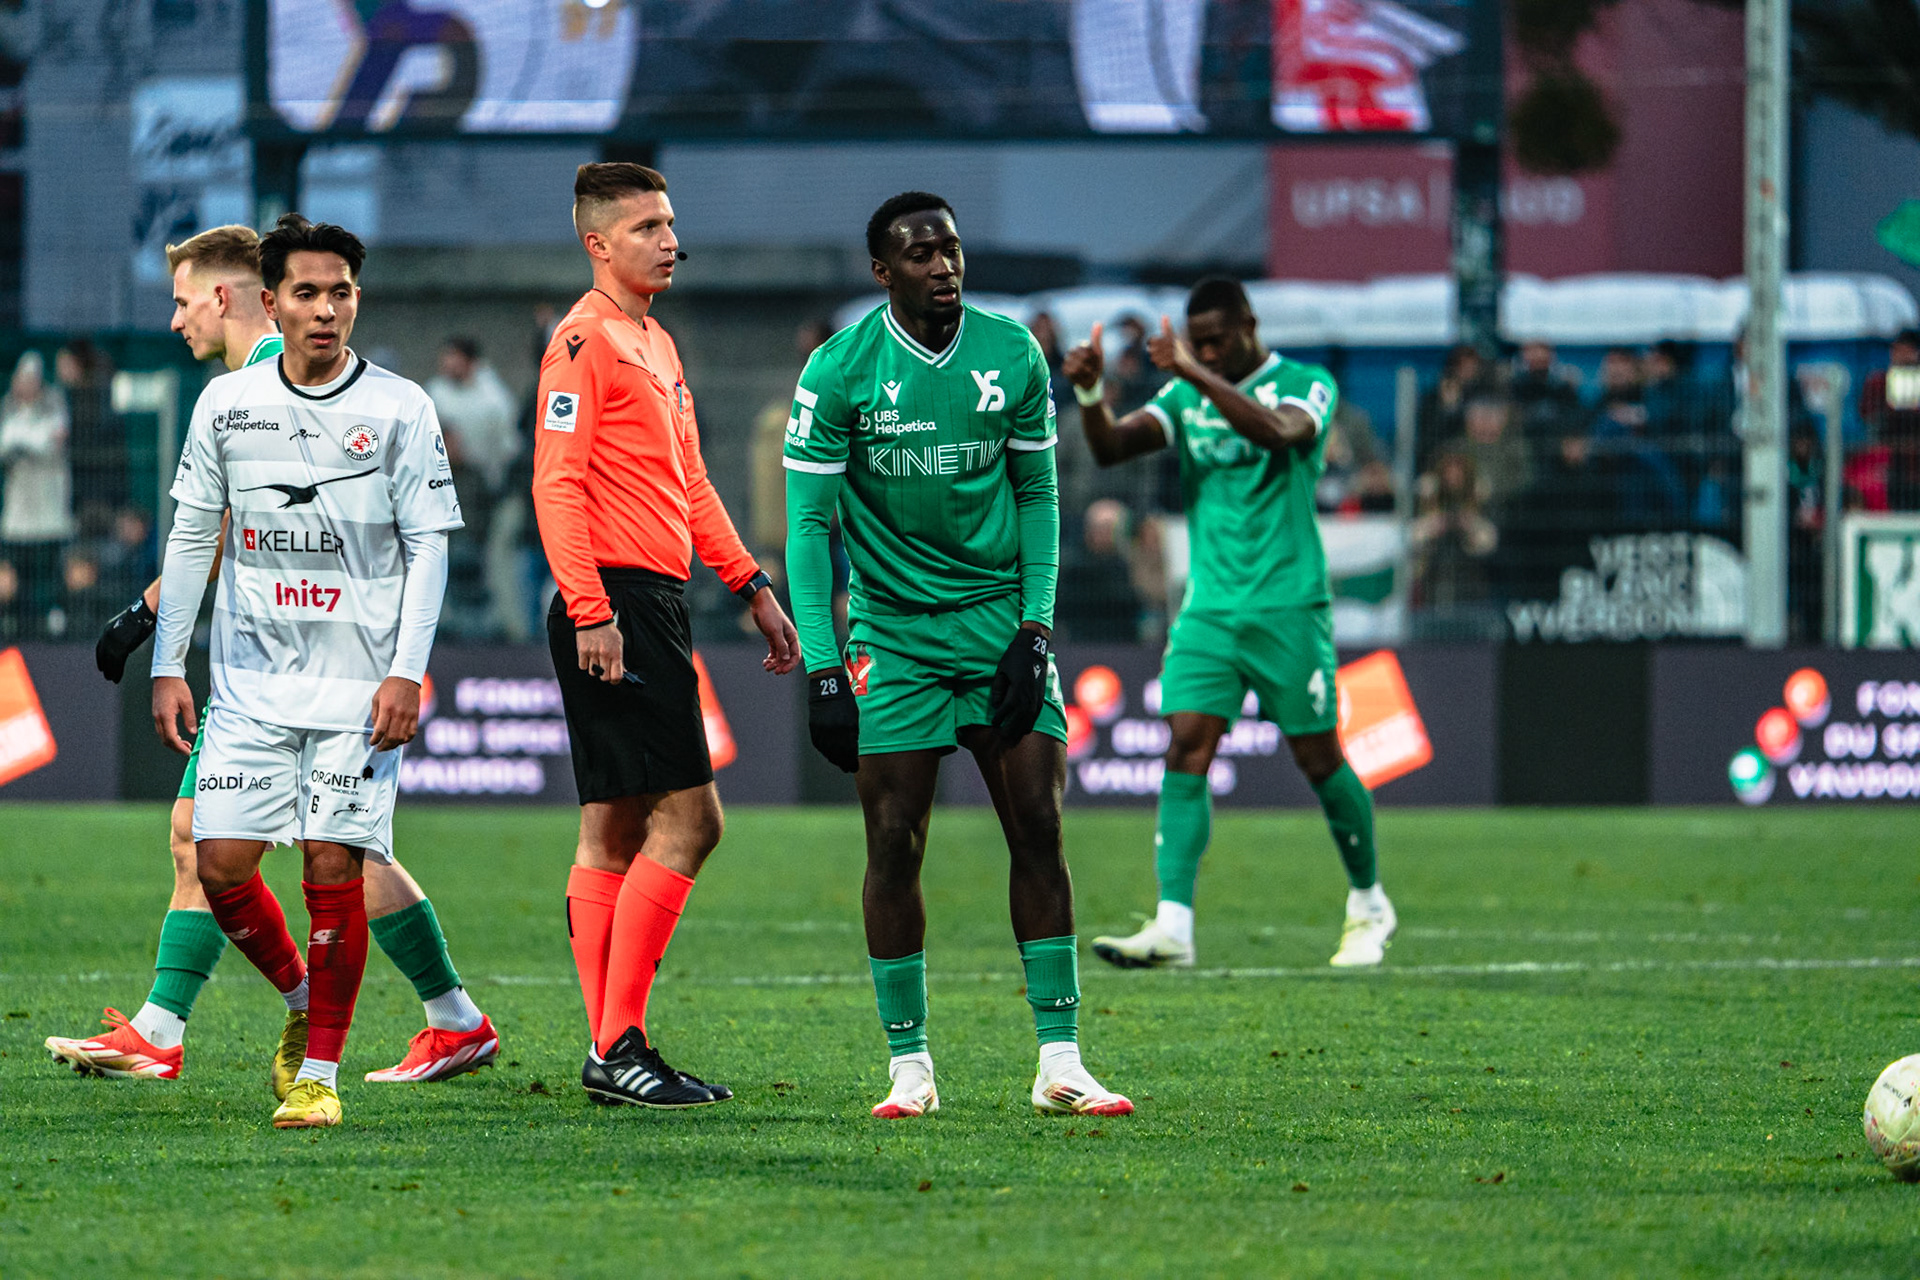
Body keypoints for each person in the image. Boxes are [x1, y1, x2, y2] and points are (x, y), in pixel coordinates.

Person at [50, 223, 498, 1095]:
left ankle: (191, 1027)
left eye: (183, 300)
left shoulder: (276, 385)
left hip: (327, 669)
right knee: (254, 848)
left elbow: (227, 527)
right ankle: (445, 1017)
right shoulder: (235, 393)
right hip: (264, 672)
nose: (177, 320)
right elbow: (212, 522)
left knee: (289, 849)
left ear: (228, 296)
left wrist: (146, 619)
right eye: (307, 293)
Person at [785, 191, 1132, 1121]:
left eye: (952, 248)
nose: (943, 265)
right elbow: (809, 532)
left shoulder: (1012, 352)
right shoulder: (839, 371)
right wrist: (824, 669)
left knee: (1040, 827)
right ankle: (910, 1068)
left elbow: (1038, 497)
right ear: (882, 272)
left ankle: (1060, 1060)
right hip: (893, 636)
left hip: (995, 626)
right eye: (920, 253)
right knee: (894, 841)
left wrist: (1036, 629)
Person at [144, 214, 464, 1129]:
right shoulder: (225, 406)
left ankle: (319, 1072)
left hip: (360, 690)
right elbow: (195, 533)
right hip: (247, 686)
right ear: (272, 301)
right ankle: (298, 1004)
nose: (327, 310)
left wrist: (407, 671)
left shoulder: (400, 406)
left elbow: (428, 550)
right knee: (219, 863)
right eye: (308, 293)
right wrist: (171, 662)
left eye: (342, 292)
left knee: (333, 862)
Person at [534, 162, 798, 1110]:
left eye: (671, 224)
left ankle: (614, 1048)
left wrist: (751, 584)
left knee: (612, 823)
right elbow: (555, 485)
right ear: (598, 243)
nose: (670, 241)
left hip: (657, 598)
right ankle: (619, 1044)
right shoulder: (582, 343)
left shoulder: (656, 342)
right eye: (647, 226)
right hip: (618, 602)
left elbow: (688, 480)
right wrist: (594, 609)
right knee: (692, 822)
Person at [1065, 278, 1396, 970]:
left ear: (1250, 324)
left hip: (1287, 604)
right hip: (1210, 606)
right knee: (1186, 746)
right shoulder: (1187, 396)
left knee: (1318, 757)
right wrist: (1093, 395)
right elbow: (1112, 447)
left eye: (1219, 339)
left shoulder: (1306, 383)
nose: (1210, 351)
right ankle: (1174, 925)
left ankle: (1369, 904)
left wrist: (1190, 367)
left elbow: (1279, 432)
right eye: (1200, 341)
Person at [425, 337, 524, 639]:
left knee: (497, 563)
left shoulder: (494, 399)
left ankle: (508, 630)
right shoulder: (436, 393)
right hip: (442, 492)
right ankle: (439, 627)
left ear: (469, 361)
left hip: (490, 495)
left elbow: (509, 451)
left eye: (453, 357)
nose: (447, 365)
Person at [0, 350, 75, 637]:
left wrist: (23, 442)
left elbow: (51, 440)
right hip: (18, 517)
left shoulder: (54, 405)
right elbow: (5, 442)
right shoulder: (8, 407)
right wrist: (27, 441)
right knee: (18, 576)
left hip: (49, 513)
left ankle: (54, 622)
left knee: (49, 574)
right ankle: (17, 627)